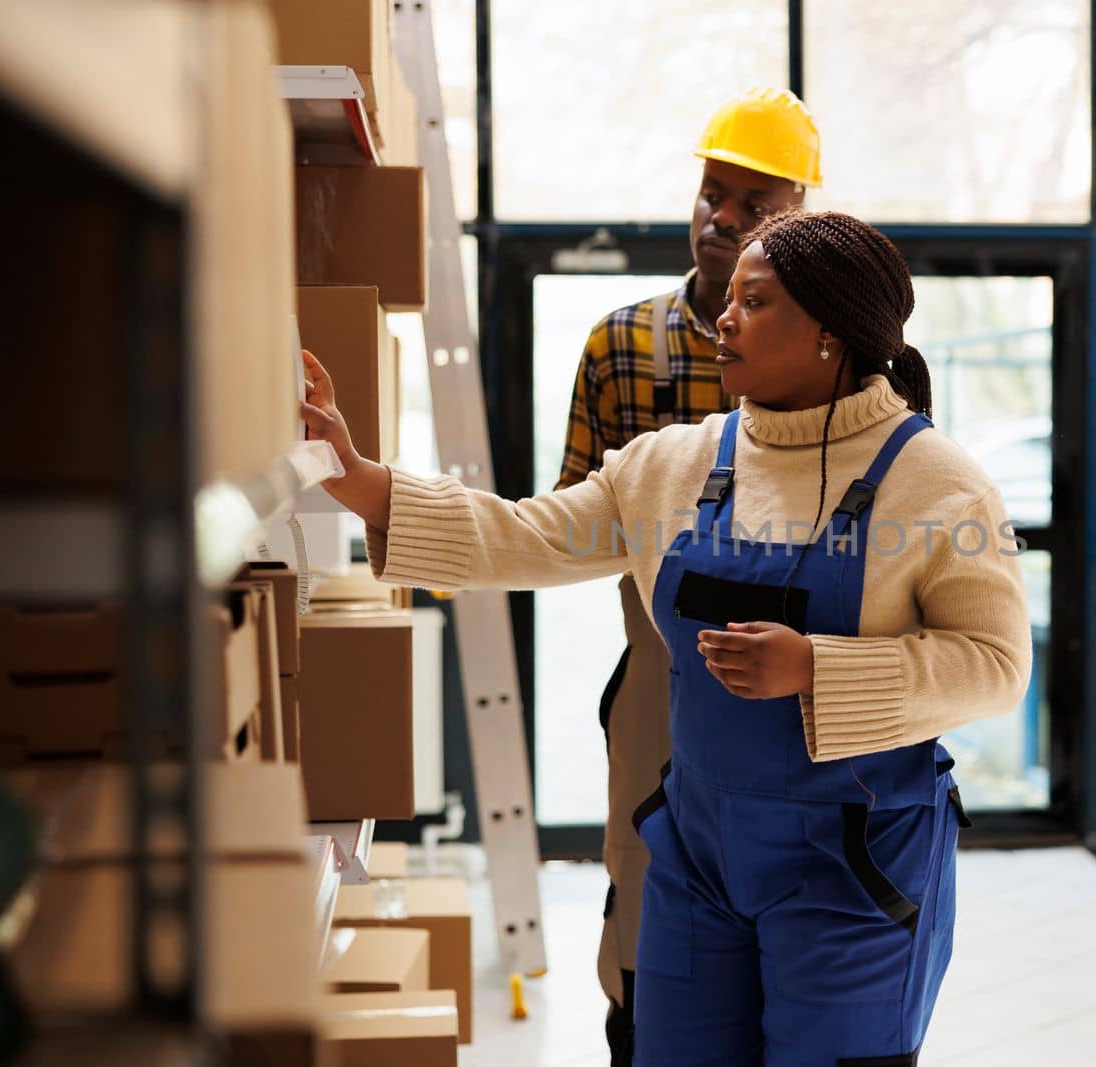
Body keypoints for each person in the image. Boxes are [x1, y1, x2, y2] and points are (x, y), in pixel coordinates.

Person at [300, 209, 1032, 1065]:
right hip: (701, 855)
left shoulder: (939, 484)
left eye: (754, 303)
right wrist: (361, 482)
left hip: (854, 868)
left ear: (829, 334)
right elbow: (524, 535)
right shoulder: (673, 464)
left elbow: (997, 664)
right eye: (729, 299)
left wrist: (816, 668)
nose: (722, 318)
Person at [552, 87, 821, 1065]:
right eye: (715, 192)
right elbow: (570, 529)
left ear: (801, 214)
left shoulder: (851, 354)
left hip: (805, 686)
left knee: (791, 929)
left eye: (756, 204)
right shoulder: (620, 347)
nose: (725, 217)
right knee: (645, 911)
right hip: (659, 683)